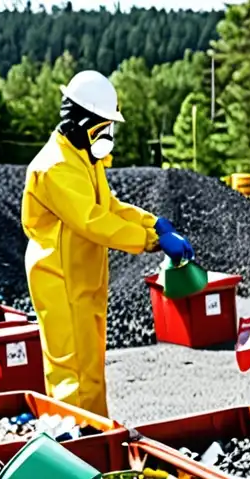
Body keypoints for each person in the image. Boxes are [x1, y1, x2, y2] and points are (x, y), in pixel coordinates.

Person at [22, 71, 193, 417]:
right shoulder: (55, 167)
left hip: (82, 279)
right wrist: (151, 241)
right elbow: (95, 222)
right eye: (104, 127)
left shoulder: (81, 157)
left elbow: (109, 207)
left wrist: (153, 223)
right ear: (82, 121)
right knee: (71, 371)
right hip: (59, 280)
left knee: (91, 366)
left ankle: (95, 434)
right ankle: (72, 446)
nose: (108, 136)